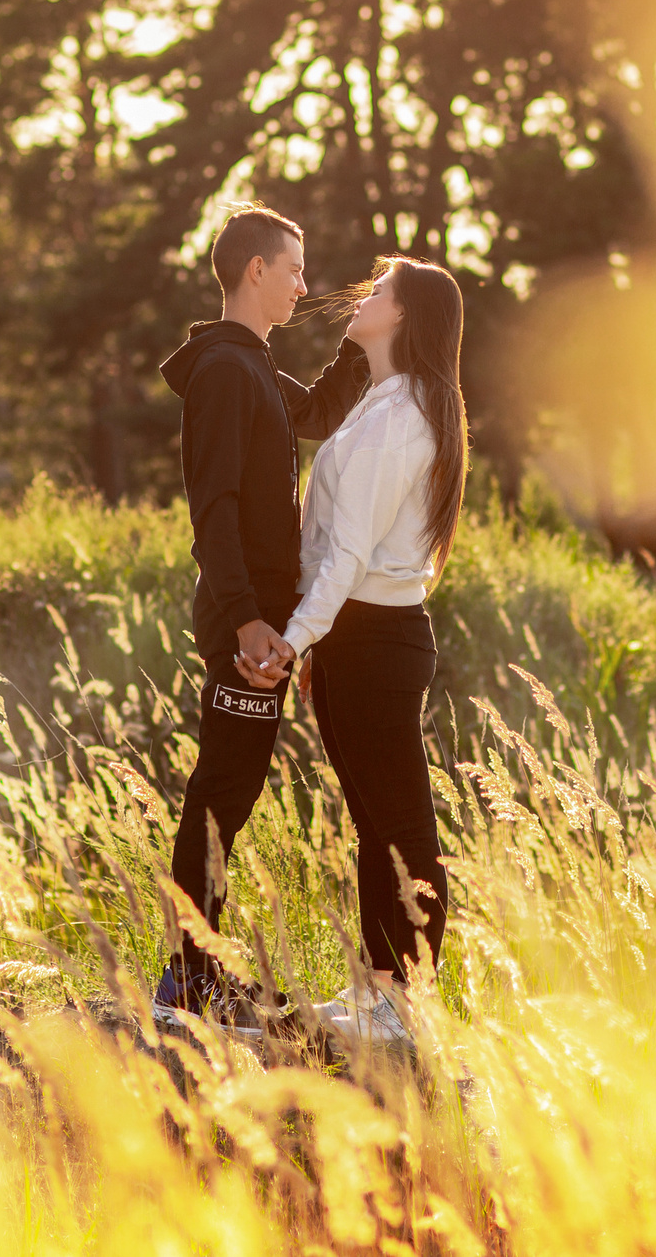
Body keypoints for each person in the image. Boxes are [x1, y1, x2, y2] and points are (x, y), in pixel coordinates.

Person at [152, 206, 370, 1024]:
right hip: (241, 624)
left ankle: (197, 971)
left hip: (266, 619)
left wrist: (356, 343)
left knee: (231, 791)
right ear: (255, 271)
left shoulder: (250, 364)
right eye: (295, 270)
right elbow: (213, 506)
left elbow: (315, 415)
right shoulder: (222, 372)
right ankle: (187, 979)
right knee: (221, 790)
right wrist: (246, 620)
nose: (303, 285)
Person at [258, 256, 468, 1048]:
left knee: (404, 826)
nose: (362, 296)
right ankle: (380, 993)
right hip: (354, 637)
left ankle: (410, 1008)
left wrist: (291, 638)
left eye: (380, 292)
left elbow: (347, 553)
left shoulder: (403, 416)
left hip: (377, 638)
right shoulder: (380, 402)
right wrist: (317, 643)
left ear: (406, 317)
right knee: (372, 822)